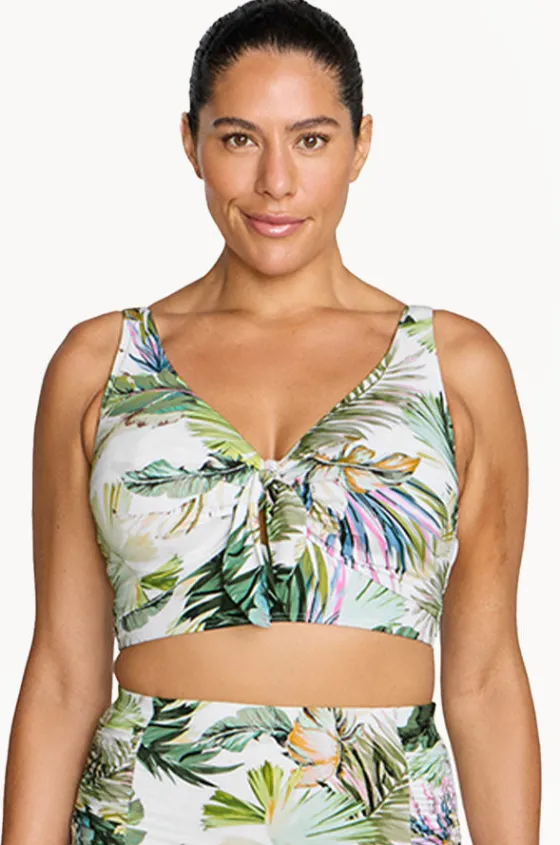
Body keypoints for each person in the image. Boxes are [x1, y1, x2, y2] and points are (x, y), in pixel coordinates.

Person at [2, 1, 541, 843]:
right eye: (239, 139)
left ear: (361, 145)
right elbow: (65, 675)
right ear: (192, 143)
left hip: (381, 813)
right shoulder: (101, 364)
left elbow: (486, 679)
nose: (276, 183)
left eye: (312, 139)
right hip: (143, 813)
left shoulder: (456, 367)